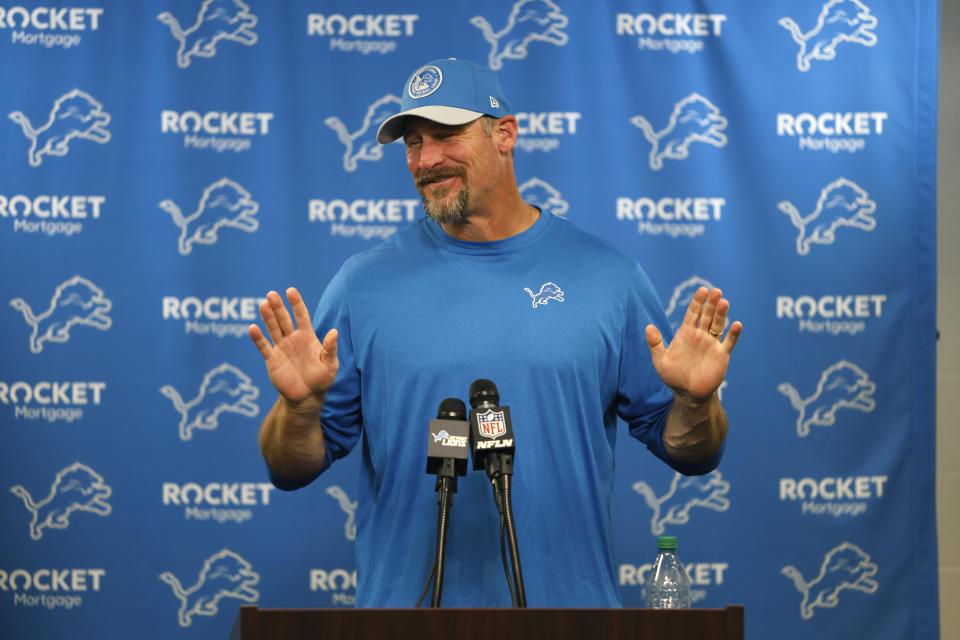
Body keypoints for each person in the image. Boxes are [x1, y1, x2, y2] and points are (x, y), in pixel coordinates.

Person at [248, 58, 742, 607]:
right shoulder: (362, 284)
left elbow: (691, 453)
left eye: (445, 135)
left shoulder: (608, 277)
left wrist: (696, 404)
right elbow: (290, 468)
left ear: (504, 133)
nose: (425, 159)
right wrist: (298, 410)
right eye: (413, 142)